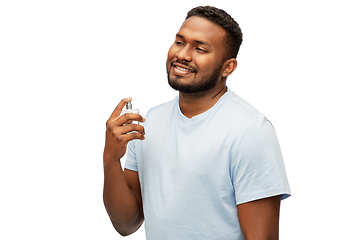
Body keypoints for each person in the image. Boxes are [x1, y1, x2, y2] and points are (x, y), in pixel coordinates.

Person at [103, 6, 291, 240]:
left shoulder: (250, 132)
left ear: (228, 67)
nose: (183, 55)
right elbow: (126, 224)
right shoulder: (149, 123)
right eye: (180, 43)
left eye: (200, 48)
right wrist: (111, 158)